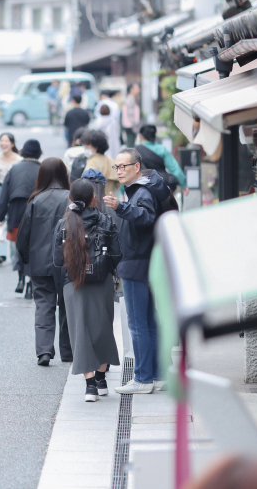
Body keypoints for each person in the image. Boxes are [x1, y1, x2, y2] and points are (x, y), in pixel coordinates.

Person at [103, 149, 173, 394]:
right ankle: (158, 374)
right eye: (117, 167)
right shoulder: (146, 188)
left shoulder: (141, 191)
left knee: (137, 324)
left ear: (137, 166)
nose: (119, 171)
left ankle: (143, 378)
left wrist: (120, 207)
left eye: (124, 166)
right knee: (150, 322)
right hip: (149, 262)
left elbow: (145, 216)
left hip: (136, 264)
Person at [55, 179, 121, 402]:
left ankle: (90, 385)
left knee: (80, 332)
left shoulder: (64, 224)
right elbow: (116, 255)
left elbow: (56, 260)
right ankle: (102, 378)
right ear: (93, 198)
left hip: (73, 283)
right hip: (101, 282)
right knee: (102, 328)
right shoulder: (105, 220)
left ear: (70, 198)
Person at [16, 157, 72, 366]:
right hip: (66, 262)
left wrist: (25, 259)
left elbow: (23, 236)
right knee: (67, 305)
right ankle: (68, 351)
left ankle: (44, 351)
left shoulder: (35, 200)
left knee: (44, 306)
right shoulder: (70, 198)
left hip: (39, 262)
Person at [0, 139, 42, 297]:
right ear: (39, 153)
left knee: (19, 247)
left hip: (16, 213)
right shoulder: (42, 169)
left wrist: (0, 215)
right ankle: (31, 283)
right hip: (37, 214)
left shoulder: (14, 169)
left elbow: (4, 194)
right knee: (34, 248)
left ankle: (20, 277)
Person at [0, 133, 22, 264]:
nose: (3, 143)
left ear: (12, 143)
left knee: (14, 222)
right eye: (1, 141)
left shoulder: (19, 160)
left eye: (6, 141)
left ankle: (14, 255)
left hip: (14, 192)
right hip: (0, 191)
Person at [135, 124, 188, 193]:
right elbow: (174, 168)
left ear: (140, 136)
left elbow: (127, 170)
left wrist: (122, 190)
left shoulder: (135, 151)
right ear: (154, 135)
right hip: (162, 185)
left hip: (143, 187)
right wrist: (184, 184)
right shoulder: (162, 149)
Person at [81, 130, 120, 197]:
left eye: (87, 144)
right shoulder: (110, 160)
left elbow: (86, 184)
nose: (84, 147)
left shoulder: (92, 161)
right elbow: (119, 184)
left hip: (97, 200)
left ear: (96, 146)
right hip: (112, 199)